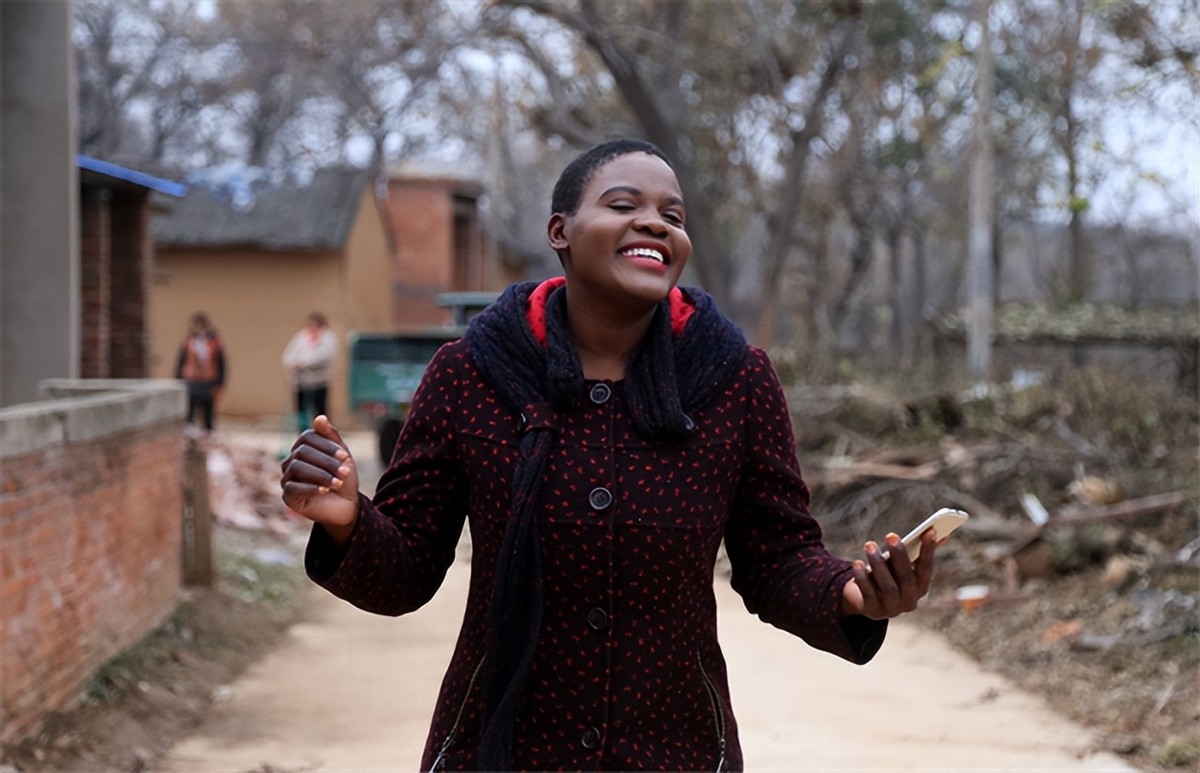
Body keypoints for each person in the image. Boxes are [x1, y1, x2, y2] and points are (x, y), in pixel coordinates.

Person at [280, 138, 939, 772]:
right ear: (560, 231)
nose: (654, 223)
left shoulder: (735, 378)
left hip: (677, 750)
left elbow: (778, 559)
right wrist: (347, 519)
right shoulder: (471, 373)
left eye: (671, 216)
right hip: (499, 747)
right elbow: (408, 568)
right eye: (624, 205)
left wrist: (851, 594)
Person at [282, 312, 338, 430]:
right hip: (301, 382)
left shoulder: (328, 338)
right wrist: (294, 363)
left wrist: (305, 363)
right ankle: (303, 435)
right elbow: (288, 355)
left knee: (319, 412)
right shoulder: (301, 337)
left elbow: (324, 357)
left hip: (318, 382)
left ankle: (322, 437)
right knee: (301, 412)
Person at [175, 311, 226, 434]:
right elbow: (181, 362)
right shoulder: (188, 342)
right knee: (190, 405)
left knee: (208, 406)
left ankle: (207, 432)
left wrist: (220, 381)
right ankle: (190, 431)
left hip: (208, 379)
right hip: (191, 379)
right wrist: (178, 380)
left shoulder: (214, 342)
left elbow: (221, 363)